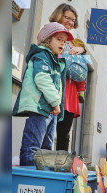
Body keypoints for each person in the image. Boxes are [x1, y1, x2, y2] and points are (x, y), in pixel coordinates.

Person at [12, 22, 74, 166]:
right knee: (33, 148)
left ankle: (43, 179)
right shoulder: (42, 55)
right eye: (59, 39)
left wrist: (55, 105)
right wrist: (55, 102)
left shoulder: (55, 61)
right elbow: (42, 78)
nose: (63, 44)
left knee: (46, 149)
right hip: (39, 107)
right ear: (47, 39)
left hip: (50, 110)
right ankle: (28, 176)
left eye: (64, 41)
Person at [49, 3, 87, 151]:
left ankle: (60, 165)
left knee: (64, 135)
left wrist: (82, 51)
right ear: (59, 15)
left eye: (73, 19)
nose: (70, 22)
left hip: (70, 92)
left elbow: (82, 68)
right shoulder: (49, 33)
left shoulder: (74, 42)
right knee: (46, 132)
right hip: (53, 87)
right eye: (67, 18)